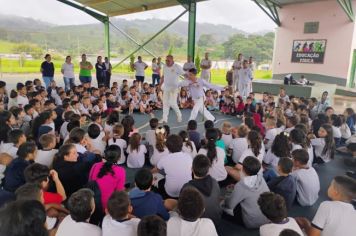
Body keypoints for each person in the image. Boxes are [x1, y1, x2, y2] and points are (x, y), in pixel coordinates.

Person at [182, 154, 222, 225]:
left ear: (192, 169)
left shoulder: (187, 188)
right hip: (216, 220)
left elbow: (183, 210)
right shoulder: (214, 182)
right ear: (208, 170)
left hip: (199, 224)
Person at [89, 145, 126, 210]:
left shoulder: (95, 165)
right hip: (108, 206)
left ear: (105, 156)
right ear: (119, 158)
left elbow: (90, 181)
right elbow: (119, 193)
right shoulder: (121, 171)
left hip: (91, 202)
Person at [155, 134, 192, 198]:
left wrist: (149, 172)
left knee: (159, 180)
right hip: (187, 191)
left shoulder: (164, 159)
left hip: (171, 193)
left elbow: (156, 169)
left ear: (167, 147)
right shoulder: (188, 157)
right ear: (181, 145)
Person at [159, 55, 184, 123]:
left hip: (174, 88)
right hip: (166, 87)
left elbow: (185, 74)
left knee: (172, 103)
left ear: (172, 60)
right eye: (166, 60)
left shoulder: (177, 67)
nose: (167, 62)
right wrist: (159, 85)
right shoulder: (164, 66)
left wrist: (189, 82)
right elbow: (163, 77)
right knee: (165, 103)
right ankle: (164, 119)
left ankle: (179, 115)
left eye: (168, 60)